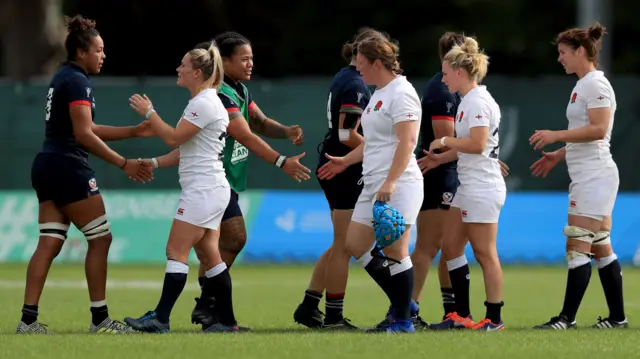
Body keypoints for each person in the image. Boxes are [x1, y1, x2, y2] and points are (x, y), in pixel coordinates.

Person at [17, 15, 153, 335]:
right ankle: (100, 321)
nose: (103, 56)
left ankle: (28, 321)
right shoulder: (77, 80)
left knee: (49, 243)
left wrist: (133, 131)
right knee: (101, 239)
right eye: (99, 50)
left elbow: (87, 129)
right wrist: (124, 163)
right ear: (81, 52)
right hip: (68, 166)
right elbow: (83, 134)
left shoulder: (62, 77)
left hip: (47, 164)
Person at [183, 32, 309, 328]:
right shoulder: (221, 93)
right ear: (224, 62)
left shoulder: (239, 90)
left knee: (217, 246)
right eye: (244, 58)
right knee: (234, 238)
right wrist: (281, 161)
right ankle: (206, 306)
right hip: (215, 178)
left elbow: (260, 123)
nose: (251, 63)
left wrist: (286, 131)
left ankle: (209, 311)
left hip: (228, 180)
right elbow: (246, 135)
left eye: (252, 57)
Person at [124, 41, 244, 333]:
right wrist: (151, 162)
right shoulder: (206, 101)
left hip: (203, 190)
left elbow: (174, 138)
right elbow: (184, 151)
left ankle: (161, 318)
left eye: (183, 65)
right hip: (212, 188)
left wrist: (150, 112)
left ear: (198, 72)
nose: (178, 69)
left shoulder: (203, 102)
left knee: (175, 250)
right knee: (211, 258)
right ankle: (226, 322)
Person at [318, 29, 424, 333]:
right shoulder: (378, 93)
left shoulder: (402, 93)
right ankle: (405, 303)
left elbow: (408, 141)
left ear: (377, 62)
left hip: (399, 184)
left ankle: (402, 320)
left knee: (395, 250)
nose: (357, 67)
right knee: (355, 244)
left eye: (361, 61)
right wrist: (345, 162)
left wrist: (391, 181)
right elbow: (373, 143)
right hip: (372, 182)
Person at [530, 22, 627, 330]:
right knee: (600, 244)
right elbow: (587, 133)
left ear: (580, 51)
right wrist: (559, 155)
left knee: (577, 242)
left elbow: (599, 129)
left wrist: (557, 136)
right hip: (589, 173)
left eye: (563, 53)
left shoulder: (595, 84)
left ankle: (566, 319)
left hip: (595, 176)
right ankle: (617, 318)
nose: (560, 59)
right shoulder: (583, 84)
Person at [374, 31, 465, 331]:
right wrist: (479, 150)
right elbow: (444, 142)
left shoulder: (451, 87)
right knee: (428, 246)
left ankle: (443, 311)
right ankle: (406, 309)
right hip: (439, 174)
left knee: (445, 246)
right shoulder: (441, 90)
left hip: (448, 173)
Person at [421, 35, 506, 331]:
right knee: (451, 246)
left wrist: (443, 140)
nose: (443, 78)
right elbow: (469, 145)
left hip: (483, 187)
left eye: (446, 73)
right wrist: (439, 159)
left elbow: (479, 143)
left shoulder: (477, 101)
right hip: (468, 186)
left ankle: (494, 319)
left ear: (459, 72)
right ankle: (462, 315)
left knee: (485, 253)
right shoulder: (468, 100)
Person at [293, 27, 375, 330]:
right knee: (345, 244)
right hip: (343, 166)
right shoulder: (355, 82)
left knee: (341, 242)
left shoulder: (347, 77)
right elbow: (345, 133)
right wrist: (377, 149)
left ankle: (310, 304)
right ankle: (334, 316)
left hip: (340, 162)